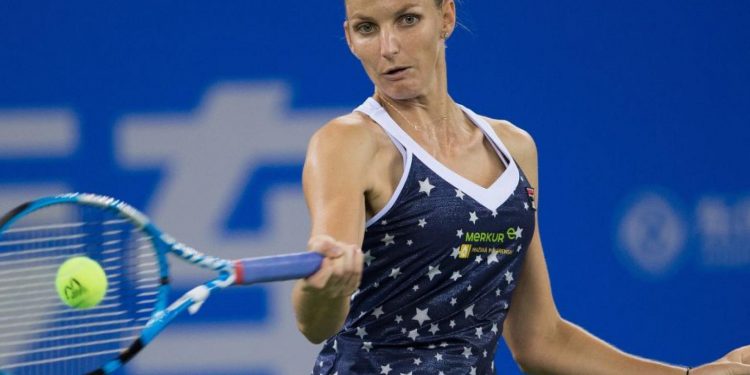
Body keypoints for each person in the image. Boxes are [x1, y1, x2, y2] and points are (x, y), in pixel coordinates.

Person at [291, 0, 750, 374]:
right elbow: (316, 324)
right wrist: (324, 290)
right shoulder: (346, 143)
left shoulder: (514, 149)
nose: (388, 46)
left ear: (445, 17)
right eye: (367, 28)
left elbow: (540, 340)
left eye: (408, 19)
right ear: (350, 38)